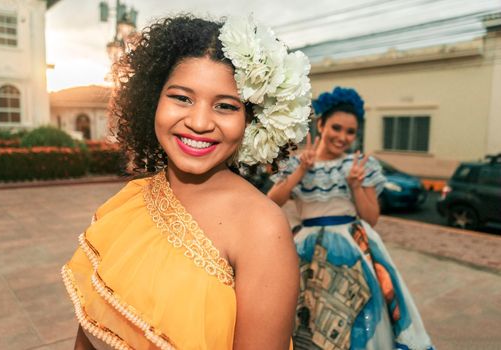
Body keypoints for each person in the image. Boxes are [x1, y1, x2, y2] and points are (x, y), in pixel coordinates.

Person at [61, 15, 313, 350]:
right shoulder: (132, 198)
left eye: (225, 106)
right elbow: (91, 331)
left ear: (250, 120)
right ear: (153, 100)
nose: (198, 122)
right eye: (181, 98)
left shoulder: (263, 229)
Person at [268, 87, 434, 350]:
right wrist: (301, 170)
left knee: (356, 319)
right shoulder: (297, 163)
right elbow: (272, 202)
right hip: (304, 251)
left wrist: (356, 185)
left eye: (350, 132)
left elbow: (372, 218)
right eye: (336, 127)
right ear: (320, 124)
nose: (342, 137)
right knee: (302, 319)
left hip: (353, 249)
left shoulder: (360, 166)